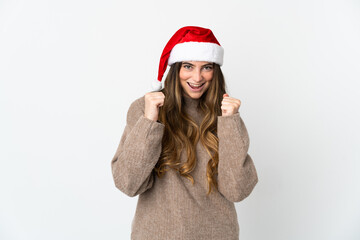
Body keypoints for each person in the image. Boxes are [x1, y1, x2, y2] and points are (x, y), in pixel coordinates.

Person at [111, 26, 259, 240]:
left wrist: (230, 122)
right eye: (188, 66)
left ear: (215, 71)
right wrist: (150, 121)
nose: (197, 77)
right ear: (175, 69)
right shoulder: (144, 110)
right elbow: (127, 182)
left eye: (206, 67)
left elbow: (238, 190)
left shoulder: (226, 114)